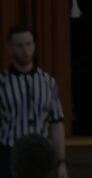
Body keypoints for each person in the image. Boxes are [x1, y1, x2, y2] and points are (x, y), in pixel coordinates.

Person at [0, 25, 68, 178]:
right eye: (20, 45)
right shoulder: (3, 84)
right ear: (10, 49)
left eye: (28, 44)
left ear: (34, 46)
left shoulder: (47, 82)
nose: (25, 50)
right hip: (9, 153)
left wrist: (61, 162)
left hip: (42, 154)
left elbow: (56, 124)